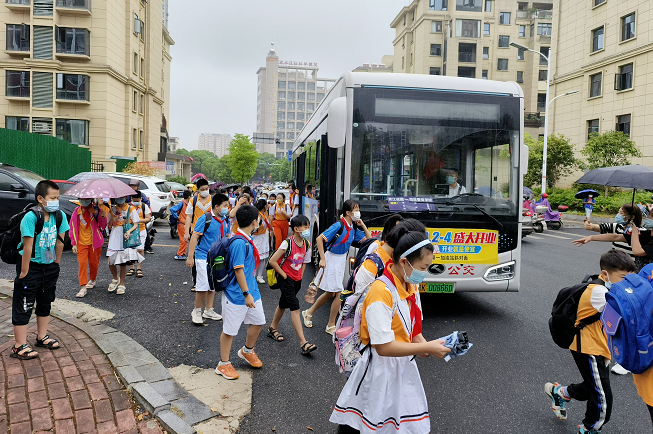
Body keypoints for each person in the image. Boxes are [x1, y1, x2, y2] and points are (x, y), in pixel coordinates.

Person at [330, 232, 451, 433]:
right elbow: (383, 347)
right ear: (404, 262)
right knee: (371, 418)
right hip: (379, 368)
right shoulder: (381, 293)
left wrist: (425, 345)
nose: (425, 272)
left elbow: (410, 330)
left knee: (387, 419)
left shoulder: (407, 284)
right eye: (422, 268)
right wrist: (425, 346)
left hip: (400, 364)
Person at [544, 250, 636, 434]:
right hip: (587, 347)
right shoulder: (599, 292)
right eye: (623, 277)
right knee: (603, 396)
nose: (626, 282)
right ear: (605, 274)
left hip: (598, 345)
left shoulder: (606, 288)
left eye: (629, 279)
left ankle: (561, 393)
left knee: (593, 386)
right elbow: (627, 315)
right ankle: (590, 428)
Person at [11, 180, 70, 360]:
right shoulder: (30, 217)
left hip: (49, 266)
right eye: (52, 198)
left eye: (57, 198)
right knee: (24, 304)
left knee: (45, 301)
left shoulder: (59, 216)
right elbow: (27, 246)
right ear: (40, 198)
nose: (56, 201)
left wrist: (56, 264)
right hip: (31, 266)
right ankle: (19, 345)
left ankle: (41, 337)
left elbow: (61, 243)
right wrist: (24, 271)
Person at [302, 200, 371, 335]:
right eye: (355, 209)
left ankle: (308, 312)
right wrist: (322, 258)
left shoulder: (353, 227)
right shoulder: (338, 225)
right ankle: (330, 324)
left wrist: (362, 225)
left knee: (331, 293)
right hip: (331, 258)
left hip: (340, 260)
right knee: (338, 293)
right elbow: (319, 239)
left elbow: (369, 240)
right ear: (348, 212)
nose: (358, 212)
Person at [216, 205, 267, 380]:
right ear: (254, 222)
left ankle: (247, 351)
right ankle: (223, 364)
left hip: (251, 291)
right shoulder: (239, 242)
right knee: (229, 331)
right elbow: (238, 270)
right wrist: (246, 294)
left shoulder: (246, 238)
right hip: (237, 294)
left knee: (258, 321)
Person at [267, 215, 317, 355]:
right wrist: (283, 275)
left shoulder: (306, 244)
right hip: (285, 278)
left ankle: (272, 328)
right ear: (296, 229)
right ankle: (304, 343)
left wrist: (300, 275)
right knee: (294, 306)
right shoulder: (287, 243)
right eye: (305, 227)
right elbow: (273, 261)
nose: (307, 229)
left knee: (283, 303)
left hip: (296, 280)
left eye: (308, 226)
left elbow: (305, 261)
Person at [186, 193, 230, 325]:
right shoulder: (205, 218)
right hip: (202, 256)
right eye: (225, 206)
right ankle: (197, 310)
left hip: (217, 258)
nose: (227, 208)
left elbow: (226, 236)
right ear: (216, 207)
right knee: (203, 284)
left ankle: (209, 310)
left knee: (213, 284)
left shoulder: (224, 219)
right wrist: (190, 257)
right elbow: (194, 237)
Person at [573, 205, 653, 271]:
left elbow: (637, 252)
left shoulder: (639, 232)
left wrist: (635, 231)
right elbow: (616, 236)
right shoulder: (645, 234)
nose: (648, 216)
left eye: (651, 215)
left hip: (638, 274)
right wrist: (591, 237)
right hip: (619, 268)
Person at [69, 197, 107, 298]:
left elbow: (103, 225)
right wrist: (74, 243)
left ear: (90, 199)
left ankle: (93, 279)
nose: (84, 201)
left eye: (86, 199)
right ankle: (83, 287)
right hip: (81, 242)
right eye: (81, 199)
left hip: (95, 242)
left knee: (94, 263)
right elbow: (72, 226)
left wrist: (102, 216)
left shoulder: (97, 210)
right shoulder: (77, 211)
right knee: (82, 263)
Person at [106, 196, 143, 295]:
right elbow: (108, 225)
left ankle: (122, 283)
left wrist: (129, 231)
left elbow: (136, 224)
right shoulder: (112, 209)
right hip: (114, 236)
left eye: (122, 197)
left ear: (125, 198)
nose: (119, 199)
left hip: (125, 236)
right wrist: (112, 219)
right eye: (118, 198)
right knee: (111, 261)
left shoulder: (131, 209)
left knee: (123, 261)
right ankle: (115, 278)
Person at [185, 178, 212, 292]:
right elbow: (189, 216)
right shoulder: (193, 200)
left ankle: (211, 280)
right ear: (198, 190)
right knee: (196, 259)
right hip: (197, 234)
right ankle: (196, 282)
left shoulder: (214, 199)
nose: (205, 191)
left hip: (211, 233)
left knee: (212, 257)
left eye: (206, 188)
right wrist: (186, 232)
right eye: (202, 189)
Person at [126, 191, 151, 278]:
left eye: (138, 200)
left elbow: (148, 218)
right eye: (134, 200)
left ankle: (139, 268)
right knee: (130, 249)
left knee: (140, 249)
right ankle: (131, 268)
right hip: (130, 230)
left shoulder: (144, 206)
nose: (136, 202)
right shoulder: (128, 206)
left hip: (141, 230)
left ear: (141, 199)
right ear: (131, 199)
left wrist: (137, 220)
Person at [128, 178, 153, 254]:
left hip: (141, 218)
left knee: (144, 231)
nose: (132, 187)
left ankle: (148, 247)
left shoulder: (142, 195)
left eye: (134, 186)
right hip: (131, 219)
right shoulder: (128, 195)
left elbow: (147, 204)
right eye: (131, 186)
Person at [253, 199, 271, 284]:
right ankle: (253, 275)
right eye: (266, 205)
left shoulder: (263, 214)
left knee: (263, 258)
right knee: (255, 258)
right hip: (257, 239)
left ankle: (259, 276)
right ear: (264, 206)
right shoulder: (258, 217)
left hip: (263, 237)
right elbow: (253, 228)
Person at [172, 190, 192, 260]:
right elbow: (172, 209)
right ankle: (179, 254)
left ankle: (182, 253)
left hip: (184, 224)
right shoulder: (182, 204)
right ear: (189, 197)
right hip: (181, 224)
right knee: (183, 240)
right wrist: (177, 216)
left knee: (185, 240)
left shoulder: (186, 204)